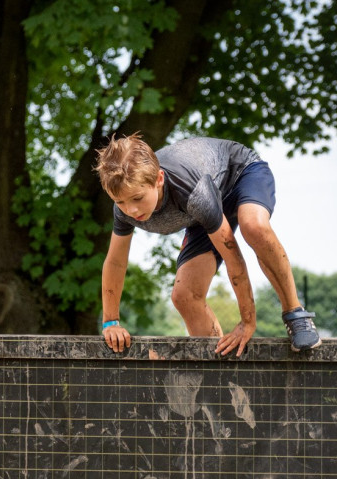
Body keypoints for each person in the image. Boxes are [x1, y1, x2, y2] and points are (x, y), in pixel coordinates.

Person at [95, 134, 320, 357]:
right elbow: (115, 262)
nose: (131, 210)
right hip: (201, 211)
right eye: (120, 202)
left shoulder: (190, 191)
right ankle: (217, 370)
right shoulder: (123, 211)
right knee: (184, 295)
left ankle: (295, 314)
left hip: (241, 174)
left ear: (159, 180)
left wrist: (247, 321)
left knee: (253, 226)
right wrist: (110, 323)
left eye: (137, 198)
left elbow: (232, 253)